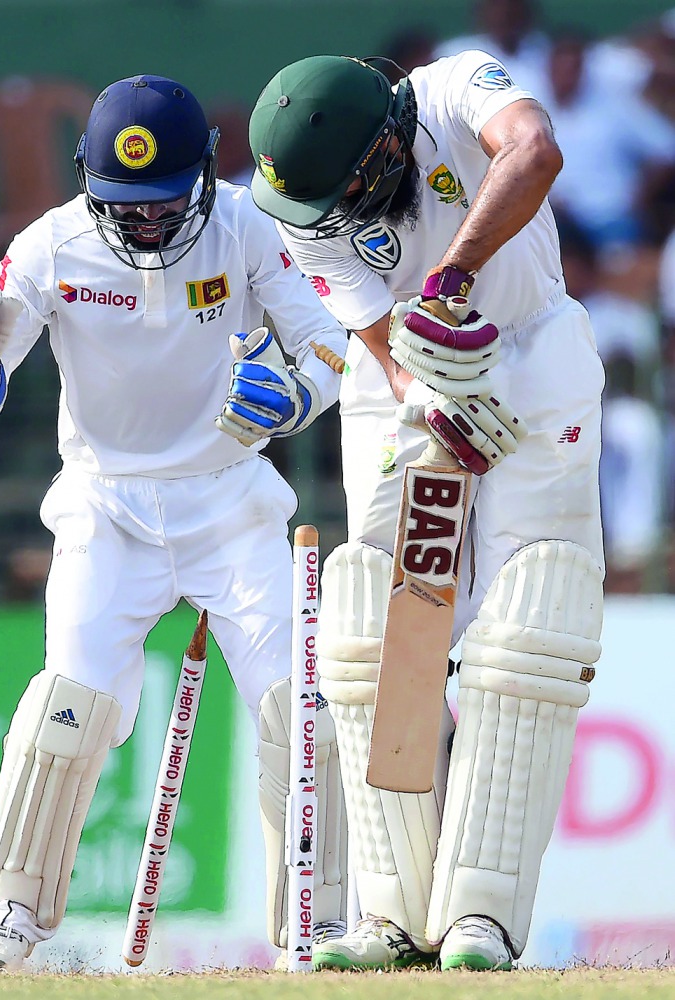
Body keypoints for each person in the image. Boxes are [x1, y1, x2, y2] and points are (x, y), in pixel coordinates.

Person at [0, 74, 351, 971]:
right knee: (70, 705)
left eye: (165, 201)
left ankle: (318, 920)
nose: (148, 223)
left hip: (230, 501)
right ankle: (11, 909)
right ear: (88, 179)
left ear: (204, 170)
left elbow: (328, 343)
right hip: (105, 506)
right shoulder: (48, 245)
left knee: (301, 709)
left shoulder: (247, 226)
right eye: (127, 205)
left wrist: (294, 398)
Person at [248, 52, 605, 971]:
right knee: (373, 628)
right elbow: (377, 339)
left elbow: (534, 151)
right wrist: (432, 395)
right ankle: (390, 913)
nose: (331, 218)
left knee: (527, 629)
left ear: (382, 151)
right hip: (407, 374)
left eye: (344, 194)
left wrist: (449, 278)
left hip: (533, 351)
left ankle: (481, 913)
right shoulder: (299, 204)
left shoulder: (454, 89)